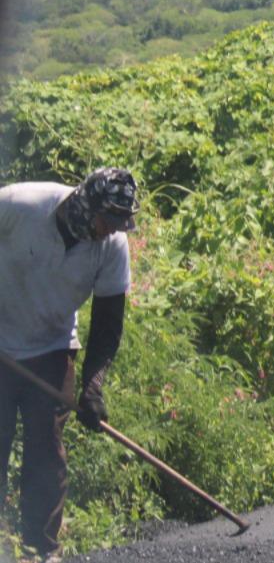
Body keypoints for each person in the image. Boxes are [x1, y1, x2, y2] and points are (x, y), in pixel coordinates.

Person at [0, 168, 140, 561]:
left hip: (51, 346)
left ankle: (39, 551)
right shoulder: (19, 205)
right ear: (84, 207)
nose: (111, 230)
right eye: (106, 220)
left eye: (119, 223)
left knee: (46, 453)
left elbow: (109, 323)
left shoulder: (112, 246)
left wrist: (92, 387)